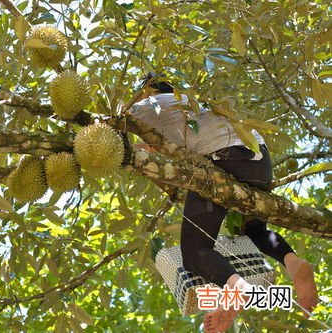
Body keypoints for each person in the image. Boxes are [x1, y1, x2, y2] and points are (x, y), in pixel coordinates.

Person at [129, 73, 319, 333]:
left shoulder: (144, 107)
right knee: (253, 232)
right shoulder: (189, 103)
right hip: (259, 163)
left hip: (224, 160)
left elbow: (111, 126)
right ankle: (293, 263)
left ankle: (235, 286)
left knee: (195, 253)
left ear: (147, 91)